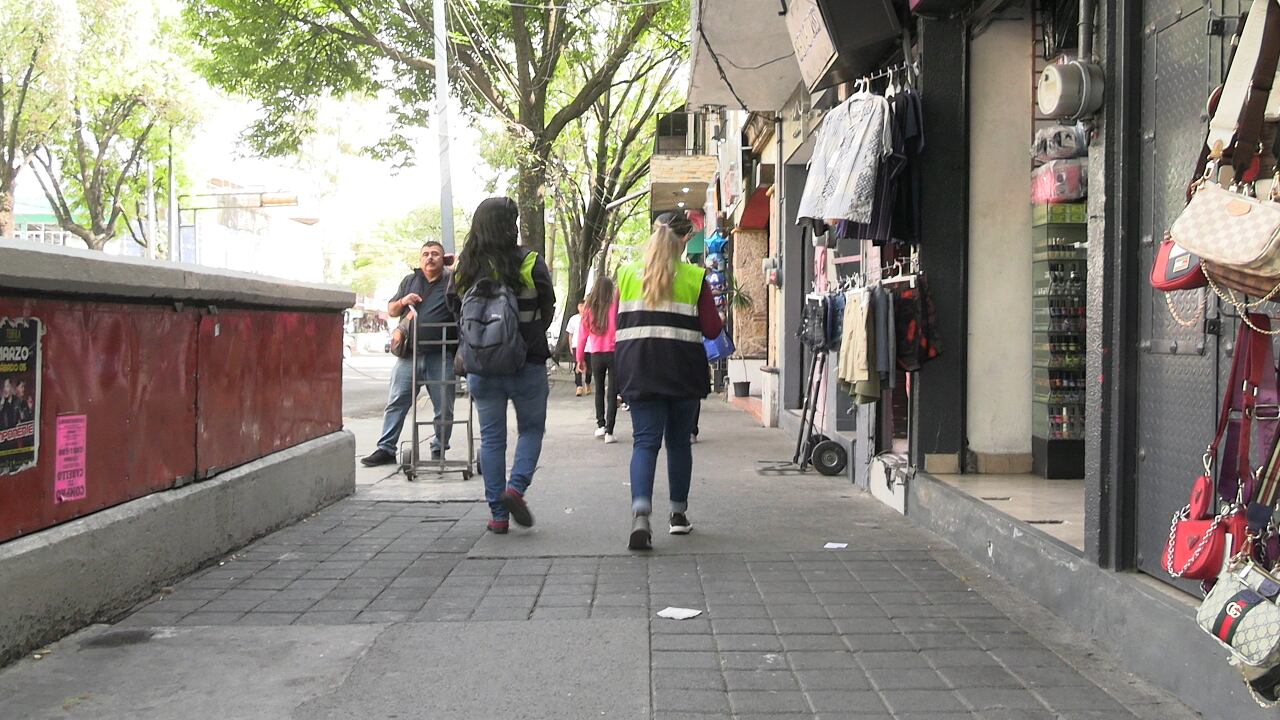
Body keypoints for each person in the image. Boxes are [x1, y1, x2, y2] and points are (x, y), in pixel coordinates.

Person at [614, 212, 723, 550]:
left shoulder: (627, 274)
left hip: (638, 369)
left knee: (644, 442)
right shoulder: (694, 276)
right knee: (678, 443)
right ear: (684, 240)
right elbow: (712, 329)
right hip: (681, 371)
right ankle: (677, 516)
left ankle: (640, 515)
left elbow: (615, 322)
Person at [449, 197, 555, 535]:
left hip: (482, 366)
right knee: (531, 430)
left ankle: (498, 515)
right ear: (511, 225)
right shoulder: (530, 262)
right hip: (528, 363)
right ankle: (515, 488)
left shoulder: (464, 269)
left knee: (492, 439)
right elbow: (548, 308)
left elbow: (458, 317)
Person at [361, 241, 458, 467]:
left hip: (441, 355)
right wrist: (404, 300)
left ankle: (438, 448)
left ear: (443, 259)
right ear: (420, 259)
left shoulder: (452, 280)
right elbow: (392, 310)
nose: (430, 258)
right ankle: (386, 448)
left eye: (435, 254)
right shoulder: (410, 281)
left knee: (444, 407)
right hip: (409, 354)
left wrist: (456, 265)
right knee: (397, 402)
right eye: (425, 254)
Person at [576, 276, 619, 443]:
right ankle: (610, 431)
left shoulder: (588, 309)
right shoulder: (614, 305)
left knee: (599, 389)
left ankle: (600, 425)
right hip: (613, 352)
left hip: (595, 354)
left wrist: (580, 358)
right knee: (612, 391)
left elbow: (582, 336)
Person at [565, 304, 591, 397]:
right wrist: (571, 346)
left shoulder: (591, 316)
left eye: (584, 305)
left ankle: (587, 383)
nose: (583, 308)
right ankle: (579, 386)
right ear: (578, 307)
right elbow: (570, 334)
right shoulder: (573, 319)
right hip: (577, 345)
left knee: (589, 366)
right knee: (577, 365)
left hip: (589, 346)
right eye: (581, 306)